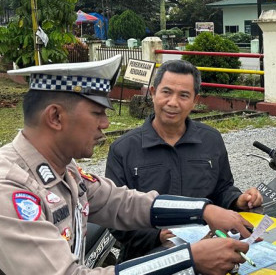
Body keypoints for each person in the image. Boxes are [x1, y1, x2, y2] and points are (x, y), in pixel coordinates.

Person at [0, 55, 252, 275]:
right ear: (55, 117)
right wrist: (190, 259)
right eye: (97, 113)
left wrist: (204, 210)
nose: (106, 123)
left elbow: (122, 202)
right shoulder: (1, 193)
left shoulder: (62, 172)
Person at [106, 59, 264, 260]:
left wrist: (238, 199)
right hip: (145, 261)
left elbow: (222, 188)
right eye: (166, 92)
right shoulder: (123, 149)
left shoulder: (211, 140)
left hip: (207, 253)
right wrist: (158, 236)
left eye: (183, 95)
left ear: (195, 100)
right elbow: (115, 217)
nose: (173, 102)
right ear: (153, 93)